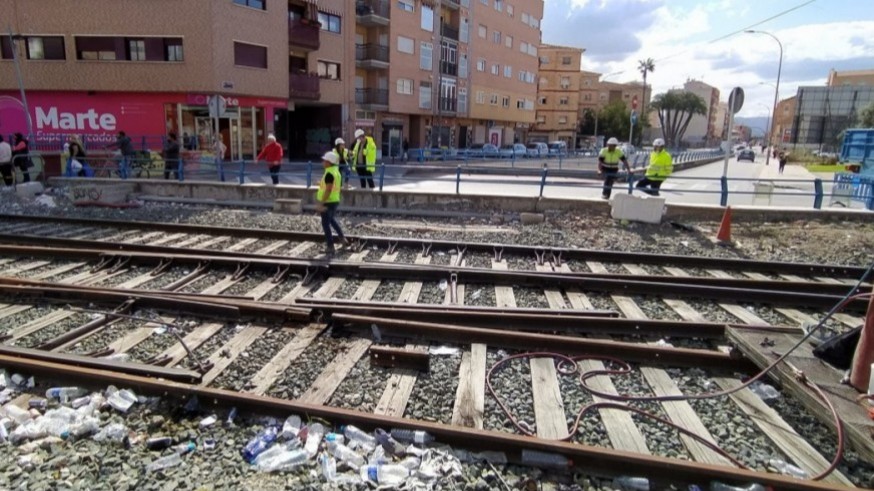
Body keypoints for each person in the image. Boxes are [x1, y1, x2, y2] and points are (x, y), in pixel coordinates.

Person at [316, 151, 349, 260]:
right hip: (335, 200)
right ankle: (342, 239)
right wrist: (320, 184)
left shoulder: (329, 173)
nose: (323, 162)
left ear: (329, 162)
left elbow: (329, 189)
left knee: (325, 224)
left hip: (328, 201)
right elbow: (332, 185)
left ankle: (330, 246)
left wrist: (321, 203)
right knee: (332, 220)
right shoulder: (336, 171)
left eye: (325, 160)